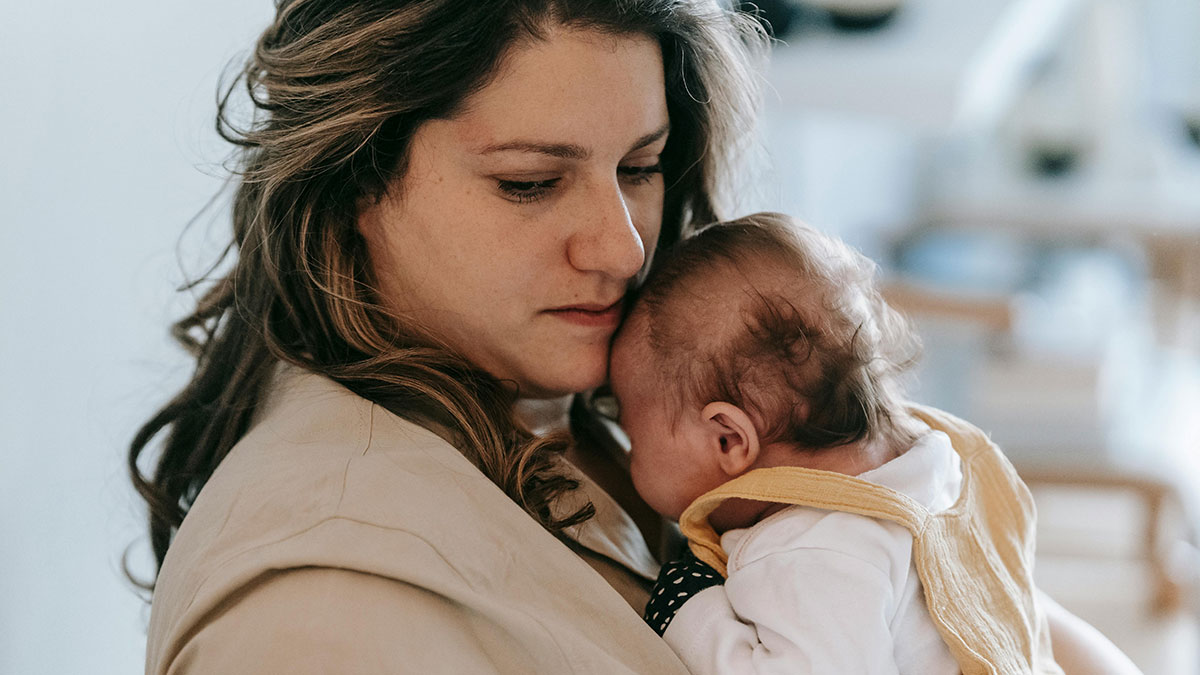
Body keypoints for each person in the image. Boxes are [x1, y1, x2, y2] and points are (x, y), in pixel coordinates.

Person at [127, 1, 1142, 673]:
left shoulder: (564, 388)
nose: (619, 245)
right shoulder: (322, 619)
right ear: (354, 183)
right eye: (530, 182)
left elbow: (969, 603)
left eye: (642, 167)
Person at [608, 213, 1059, 673]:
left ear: (728, 440)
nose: (625, 452)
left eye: (631, 432)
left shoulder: (808, 549)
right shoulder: (942, 468)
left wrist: (689, 613)